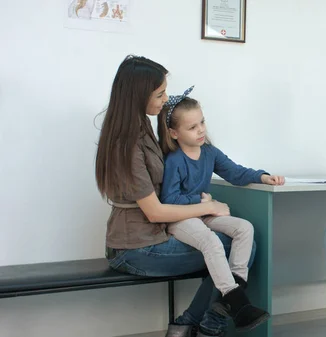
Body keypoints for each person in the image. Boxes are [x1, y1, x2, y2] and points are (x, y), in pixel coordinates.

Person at [95, 54, 256, 337]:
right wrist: (210, 206)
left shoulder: (142, 127)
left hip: (152, 236)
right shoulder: (128, 143)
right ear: (137, 96)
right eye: (159, 94)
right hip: (135, 248)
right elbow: (156, 211)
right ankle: (206, 325)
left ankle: (187, 325)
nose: (165, 99)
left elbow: (229, 170)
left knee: (237, 242)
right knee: (231, 249)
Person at [156, 86, 285, 333]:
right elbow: (169, 199)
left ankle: (231, 296)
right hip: (180, 220)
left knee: (244, 228)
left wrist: (263, 176)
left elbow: (235, 172)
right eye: (192, 127)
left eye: (202, 122)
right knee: (211, 241)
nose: (201, 129)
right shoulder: (174, 160)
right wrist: (202, 202)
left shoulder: (209, 153)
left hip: (203, 214)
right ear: (173, 133)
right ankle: (237, 301)